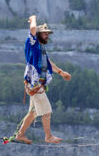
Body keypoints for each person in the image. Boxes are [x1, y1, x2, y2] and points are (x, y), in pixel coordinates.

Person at [12, 15, 71, 144]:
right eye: (44, 34)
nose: (47, 36)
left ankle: (20, 134)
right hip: (35, 85)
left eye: (47, 34)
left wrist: (61, 72)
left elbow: (48, 63)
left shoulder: (41, 48)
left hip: (36, 85)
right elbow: (32, 28)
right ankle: (48, 136)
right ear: (38, 34)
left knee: (33, 112)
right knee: (47, 111)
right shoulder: (32, 43)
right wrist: (33, 19)